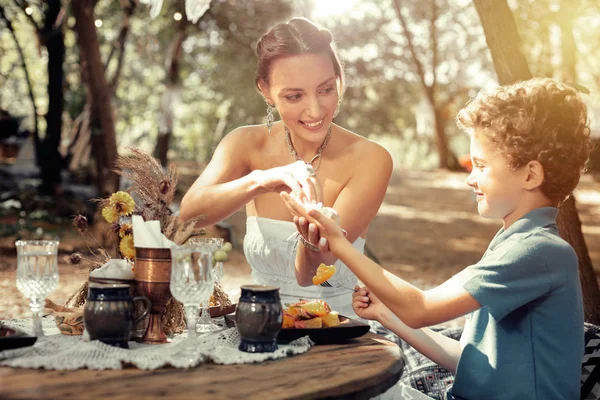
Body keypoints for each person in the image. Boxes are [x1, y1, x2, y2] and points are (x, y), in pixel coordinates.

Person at [281, 77, 592, 399]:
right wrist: (385, 315)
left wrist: (340, 242)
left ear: (530, 175)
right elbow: (472, 365)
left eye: (482, 166)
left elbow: (422, 308)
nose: (471, 178)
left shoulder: (538, 250)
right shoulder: (515, 243)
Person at [180, 17, 393, 317]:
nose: (316, 110)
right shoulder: (244, 143)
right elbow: (189, 216)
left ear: (338, 79)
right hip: (256, 325)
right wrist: (262, 180)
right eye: (294, 96)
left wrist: (312, 231)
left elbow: (309, 275)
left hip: (338, 333)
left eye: (325, 89)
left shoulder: (371, 158)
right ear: (265, 91)